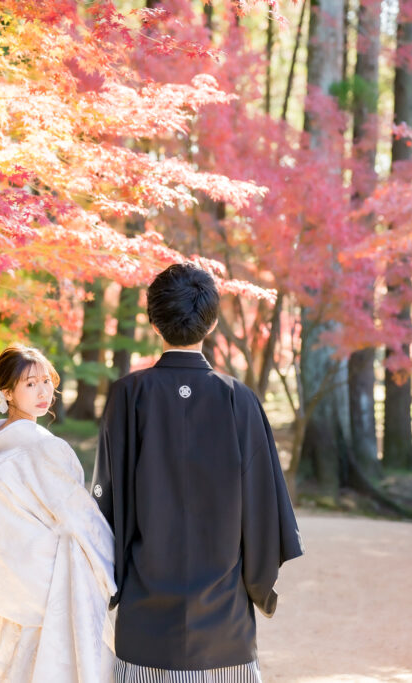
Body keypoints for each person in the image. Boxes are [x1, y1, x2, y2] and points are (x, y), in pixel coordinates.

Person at [91, 263, 304, 682]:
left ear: (153, 320)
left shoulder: (128, 395)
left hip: (145, 615)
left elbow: (106, 505)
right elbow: (263, 505)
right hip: (225, 621)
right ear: (212, 322)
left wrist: (110, 585)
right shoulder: (239, 400)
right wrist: (259, 584)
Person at [0, 343, 116, 683]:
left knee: (16, 663)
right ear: (7, 392)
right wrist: (114, 566)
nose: (44, 390)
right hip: (51, 578)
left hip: (10, 577)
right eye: (30, 384)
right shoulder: (45, 446)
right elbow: (81, 517)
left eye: (46, 380)